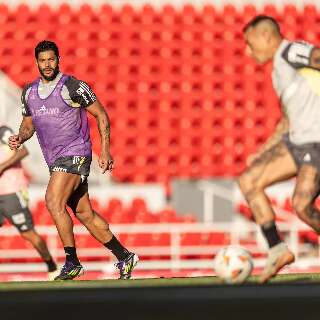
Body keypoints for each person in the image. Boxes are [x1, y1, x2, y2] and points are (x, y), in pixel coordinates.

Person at [9, 40, 138, 280]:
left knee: (53, 201)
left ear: (58, 60)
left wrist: (106, 150)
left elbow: (101, 114)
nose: (47, 64)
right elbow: (28, 124)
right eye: (42, 60)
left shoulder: (72, 86)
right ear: (36, 62)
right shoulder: (29, 92)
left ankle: (72, 261)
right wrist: (20, 137)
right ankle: (125, 257)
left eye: (51, 59)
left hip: (76, 153)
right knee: (84, 213)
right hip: (55, 160)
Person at [239, 15, 320, 283]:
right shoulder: (278, 72)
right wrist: (263, 151)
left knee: (301, 205)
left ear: (265, 36)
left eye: (250, 43)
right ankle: (277, 249)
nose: (247, 51)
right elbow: (286, 120)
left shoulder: (290, 51)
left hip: (317, 141)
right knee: (249, 180)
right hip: (297, 142)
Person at [0, 123, 58, 280]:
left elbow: (23, 151)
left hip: (11, 190)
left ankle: (51, 266)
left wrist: (2, 166)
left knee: (28, 233)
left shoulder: (4, 131)